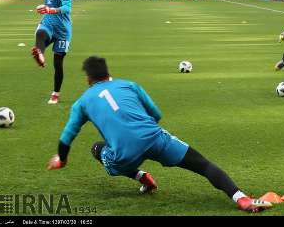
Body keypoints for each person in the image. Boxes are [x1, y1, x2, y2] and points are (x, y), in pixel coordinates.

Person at [46, 56, 272, 213]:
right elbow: (156, 113)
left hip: (124, 153)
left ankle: (142, 177)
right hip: (155, 138)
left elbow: (67, 136)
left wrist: (62, 159)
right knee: (202, 164)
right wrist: (145, 132)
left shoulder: (82, 103)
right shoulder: (130, 85)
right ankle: (241, 198)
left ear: (88, 79)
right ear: (109, 74)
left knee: (98, 149)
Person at [31, 0, 72, 104]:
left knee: (58, 63)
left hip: (62, 31)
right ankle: (40, 55)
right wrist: (44, 11)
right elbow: (48, 6)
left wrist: (50, 9)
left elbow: (67, 8)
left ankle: (55, 93)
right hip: (48, 23)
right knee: (40, 33)